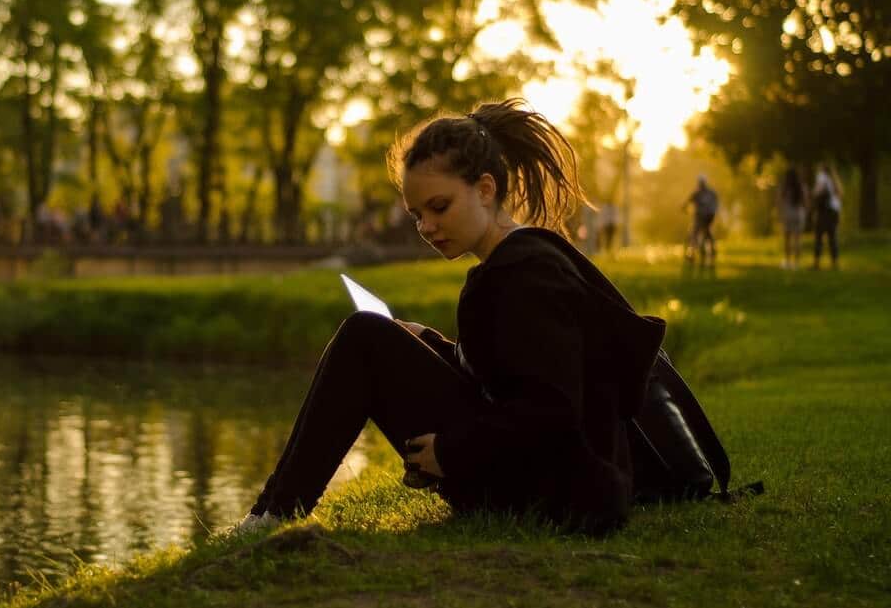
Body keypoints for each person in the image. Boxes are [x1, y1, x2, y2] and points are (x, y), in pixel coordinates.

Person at [237, 99, 666, 536]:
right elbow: (510, 377)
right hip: (539, 480)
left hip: (556, 496)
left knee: (364, 337)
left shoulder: (525, 273)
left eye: (439, 207)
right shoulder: (515, 263)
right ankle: (272, 510)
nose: (426, 227)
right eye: (417, 215)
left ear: (485, 189)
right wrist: (433, 344)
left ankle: (272, 514)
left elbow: (553, 411)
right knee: (372, 336)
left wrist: (451, 451)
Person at [810, 163, 842, 270]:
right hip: (834, 212)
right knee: (833, 237)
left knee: (819, 237)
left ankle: (816, 263)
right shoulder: (835, 179)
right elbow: (840, 194)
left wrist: (814, 194)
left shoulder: (822, 177)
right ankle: (835, 263)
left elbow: (817, 192)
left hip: (824, 211)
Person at [776, 167, 807, 269]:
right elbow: (805, 201)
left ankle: (787, 261)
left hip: (787, 214)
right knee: (797, 240)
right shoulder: (801, 186)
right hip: (798, 214)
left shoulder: (785, 187)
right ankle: (796, 263)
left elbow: (779, 201)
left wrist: (779, 213)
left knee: (787, 239)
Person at [684, 175, 718, 266]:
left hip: (702, 217)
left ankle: (692, 253)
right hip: (708, 217)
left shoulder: (698, 193)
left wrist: (684, 208)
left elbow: (688, 202)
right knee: (706, 233)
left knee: (695, 233)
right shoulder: (711, 193)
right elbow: (715, 205)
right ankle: (711, 250)